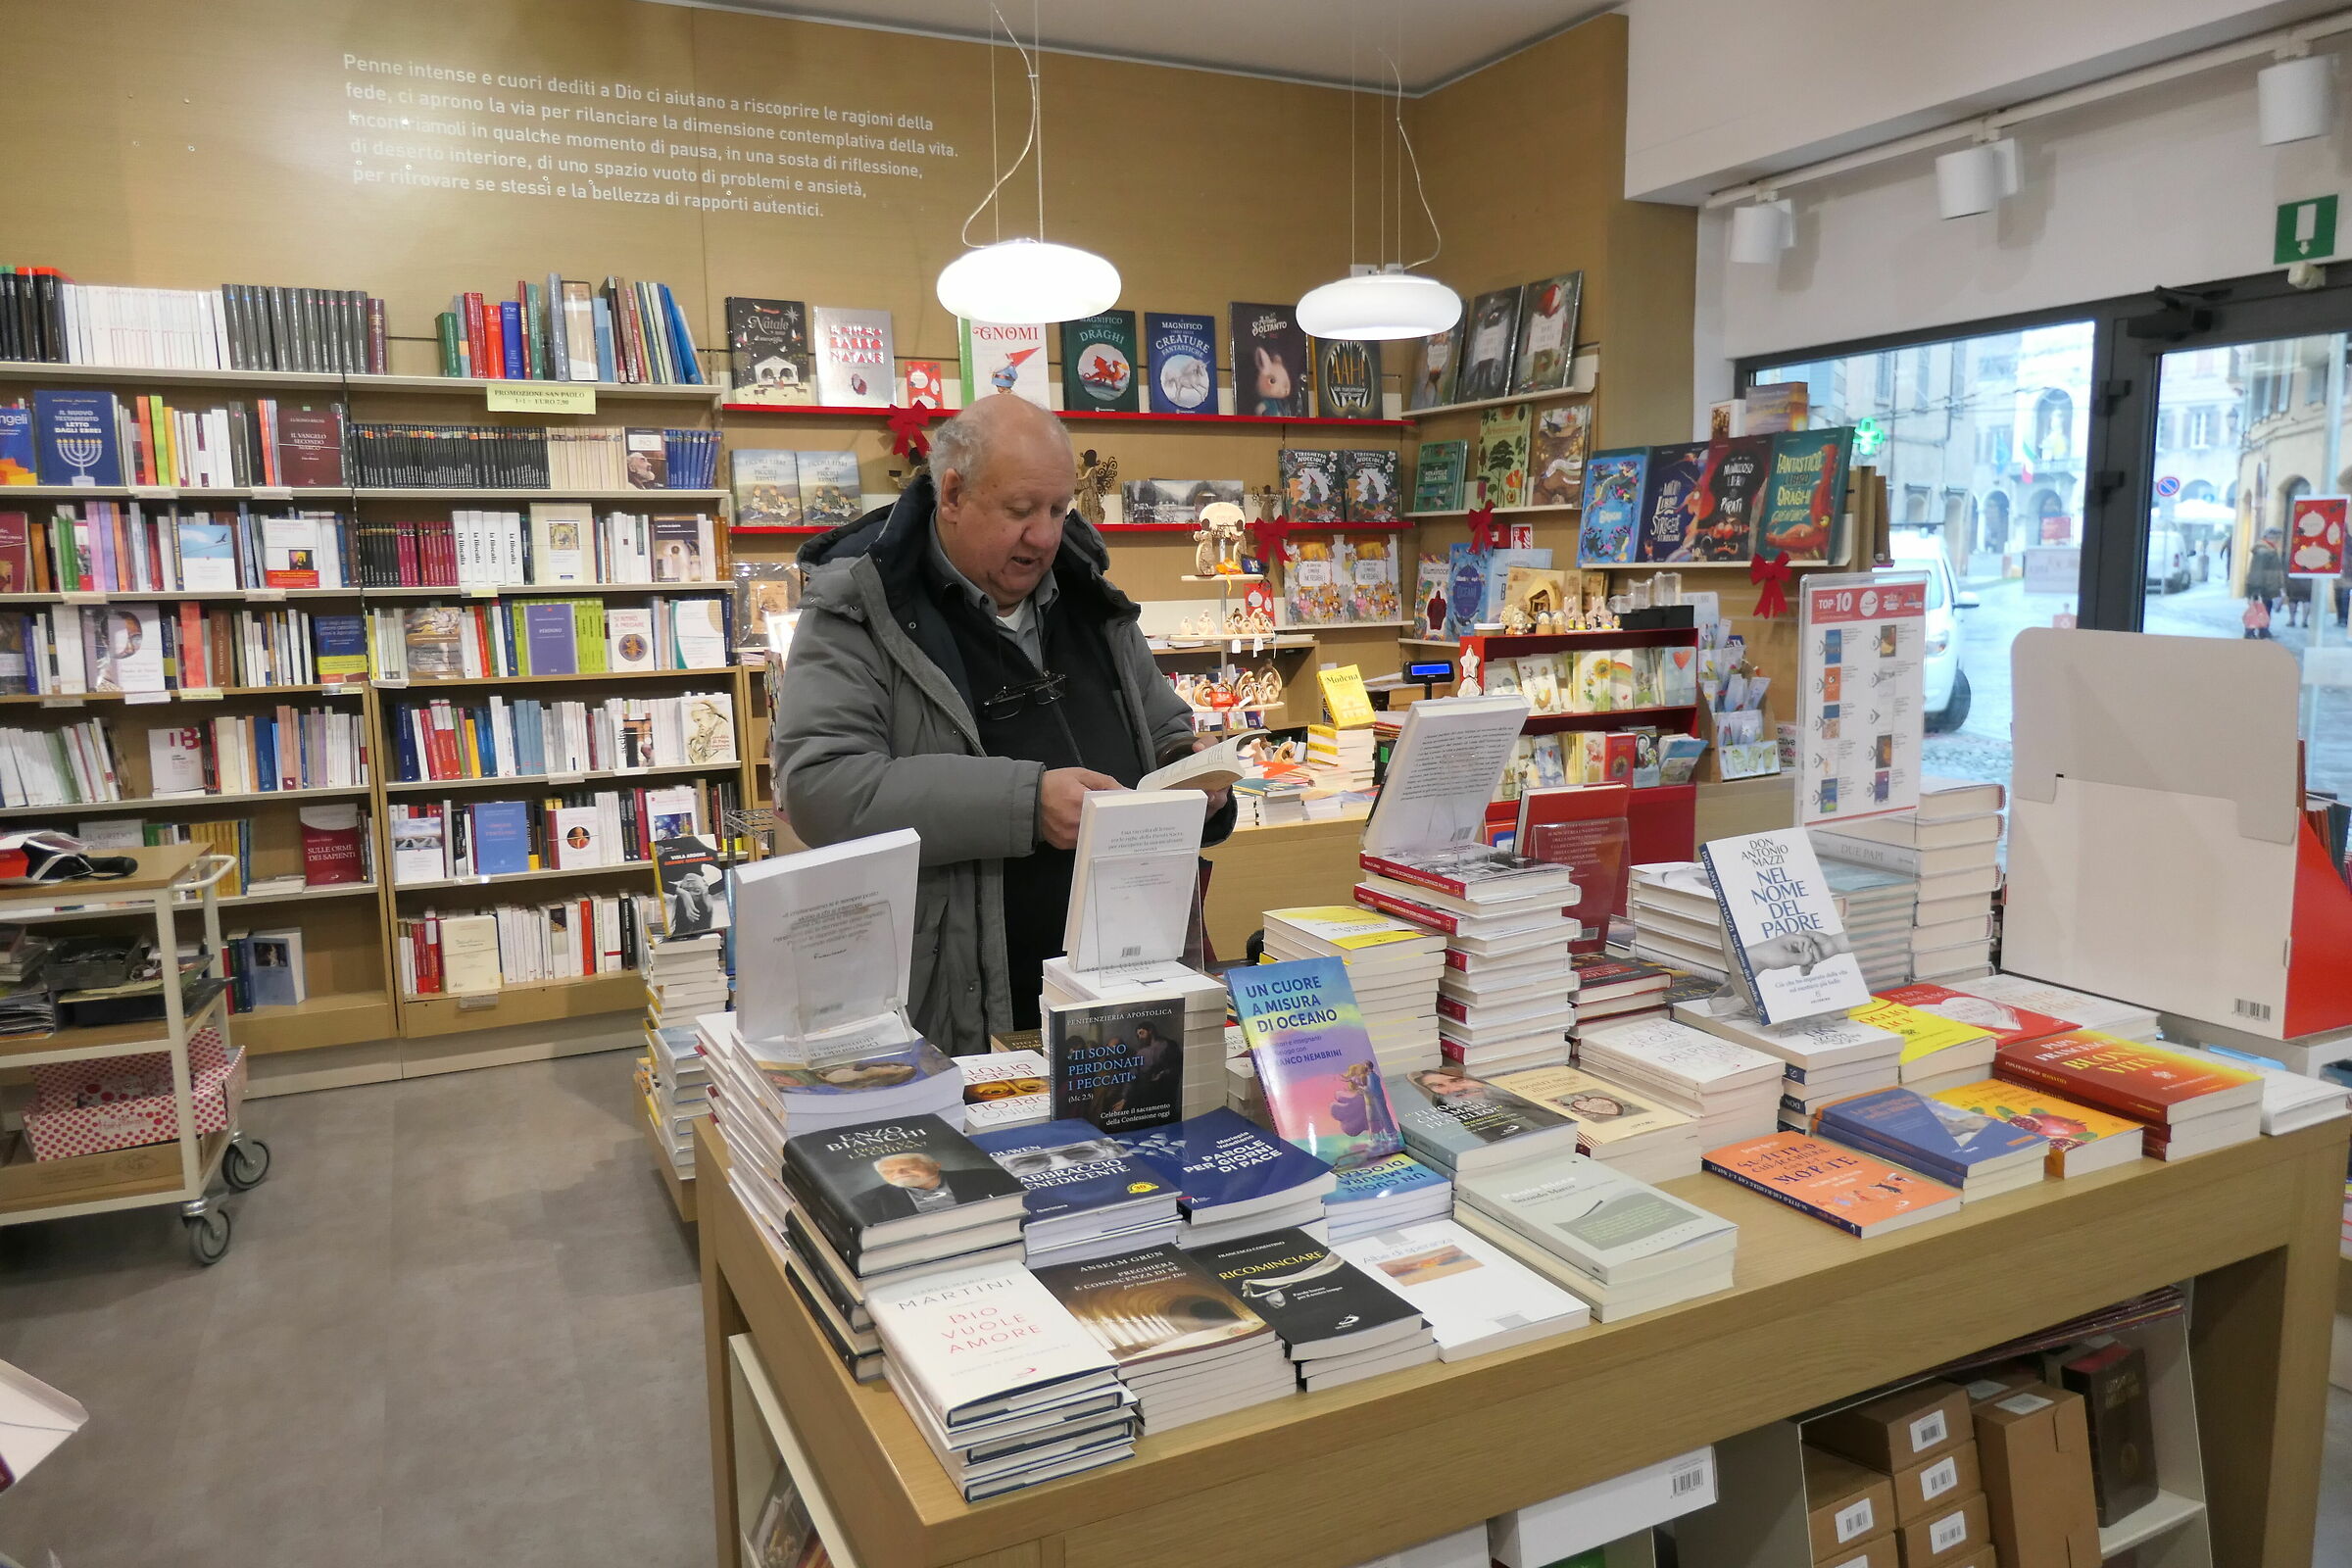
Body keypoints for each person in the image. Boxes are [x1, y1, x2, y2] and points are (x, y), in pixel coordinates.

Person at [774, 395, 1237, 1054]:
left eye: (1059, 509)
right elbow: (822, 789)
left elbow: (1161, 723)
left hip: (1128, 988)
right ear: (954, 494)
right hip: (963, 1008)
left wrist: (1196, 769)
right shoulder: (859, 609)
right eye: (1021, 511)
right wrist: (1027, 805)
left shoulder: (1088, 597)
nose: (1045, 536)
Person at [2245, 527, 2286, 627]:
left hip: (2268, 585)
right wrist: (2256, 589)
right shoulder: (2263, 551)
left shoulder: (2269, 549)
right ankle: (2251, 631)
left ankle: (2263, 629)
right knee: (2258, 608)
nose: (2279, 541)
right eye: (2278, 538)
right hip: (2262, 586)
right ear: (2273, 537)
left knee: (2265, 607)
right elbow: (2257, 571)